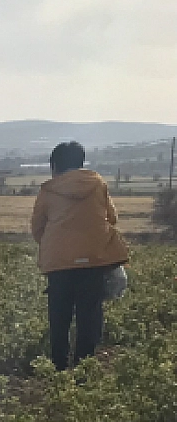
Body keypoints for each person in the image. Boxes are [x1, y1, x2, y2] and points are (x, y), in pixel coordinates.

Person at [31, 141, 129, 370]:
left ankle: (59, 369)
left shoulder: (48, 190)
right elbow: (112, 218)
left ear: (55, 165)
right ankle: (83, 368)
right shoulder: (98, 185)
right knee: (89, 315)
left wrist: (54, 247)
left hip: (58, 263)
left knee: (59, 316)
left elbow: (37, 228)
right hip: (94, 260)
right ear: (81, 162)